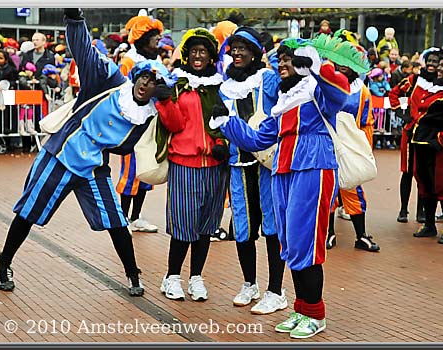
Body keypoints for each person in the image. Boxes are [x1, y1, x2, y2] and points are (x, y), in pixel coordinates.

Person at [0, 8, 171, 298]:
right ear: (136, 76)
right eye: (144, 78)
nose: (146, 85)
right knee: (28, 212)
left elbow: (126, 147)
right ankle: (5, 261)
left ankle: (132, 274)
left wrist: (167, 104)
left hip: (93, 167)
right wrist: (75, 19)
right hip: (61, 156)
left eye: (154, 83)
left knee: (116, 220)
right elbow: (84, 52)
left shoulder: (146, 117)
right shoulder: (109, 81)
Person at [211, 35, 357, 338]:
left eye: (290, 59)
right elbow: (257, 140)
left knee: (307, 243)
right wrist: (227, 123)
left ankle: (315, 313)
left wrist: (316, 68)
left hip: (313, 167)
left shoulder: (317, 92)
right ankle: (301, 308)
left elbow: (342, 94)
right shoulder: (282, 102)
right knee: (290, 243)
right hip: (283, 170)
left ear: (304, 60)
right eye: (281, 61)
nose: (283, 64)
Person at [213, 27, 287, 315]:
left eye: (244, 47)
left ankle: (276, 290)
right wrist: (220, 141)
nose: (238, 52)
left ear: (256, 52)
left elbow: (280, 111)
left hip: (266, 163)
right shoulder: (223, 86)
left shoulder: (268, 79)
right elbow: (217, 120)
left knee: (272, 227)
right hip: (237, 165)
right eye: (234, 47)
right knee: (243, 229)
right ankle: (250, 284)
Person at [153, 28, 229, 301]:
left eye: (204, 52)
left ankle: (196, 277)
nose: (198, 56)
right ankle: (172, 277)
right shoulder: (178, 85)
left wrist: (223, 144)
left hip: (215, 166)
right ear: (187, 55)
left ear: (211, 57)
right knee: (184, 226)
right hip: (184, 162)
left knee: (206, 227)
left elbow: (225, 122)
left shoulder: (219, 87)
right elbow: (173, 124)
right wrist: (164, 100)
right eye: (194, 51)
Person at [326, 42, 380, 252]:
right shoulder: (327, 85)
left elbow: (366, 122)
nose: (342, 65)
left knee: (353, 188)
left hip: (348, 148)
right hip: (328, 145)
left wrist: (362, 150)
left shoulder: (362, 92)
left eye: (347, 61)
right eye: (339, 60)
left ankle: (361, 236)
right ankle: (329, 233)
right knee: (329, 189)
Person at [115, 14, 164, 233]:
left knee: (145, 170)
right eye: (155, 38)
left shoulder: (157, 62)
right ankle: (123, 217)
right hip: (132, 125)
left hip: (151, 124)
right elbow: (120, 92)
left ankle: (136, 217)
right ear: (144, 39)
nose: (158, 42)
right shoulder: (128, 62)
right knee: (130, 172)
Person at [389, 48, 441, 224]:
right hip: (411, 132)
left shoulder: (442, 83)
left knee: (424, 173)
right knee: (407, 172)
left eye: (436, 62)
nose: (433, 65)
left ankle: (421, 211)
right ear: (425, 63)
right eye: (430, 61)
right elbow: (395, 93)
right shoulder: (414, 79)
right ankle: (403, 210)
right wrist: (402, 113)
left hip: (429, 134)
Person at [411, 51, 443, 244]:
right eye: (439, 65)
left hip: (440, 146)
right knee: (425, 184)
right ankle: (429, 224)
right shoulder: (427, 85)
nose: (439, 69)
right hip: (421, 143)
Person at [17, 62, 39, 136]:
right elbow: (22, 82)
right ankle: (21, 128)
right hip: (23, 98)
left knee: (30, 113)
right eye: (29, 71)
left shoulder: (31, 78)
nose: (30, 73)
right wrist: (29, 85)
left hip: (29, 99)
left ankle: (30, 127)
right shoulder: (22, 76)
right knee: (22, 113)